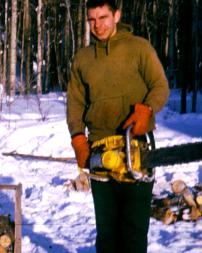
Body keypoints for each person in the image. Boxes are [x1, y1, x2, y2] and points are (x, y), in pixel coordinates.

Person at [66, 0, 170, 252]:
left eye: (103, 17)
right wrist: (78, 137)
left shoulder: (139, 48)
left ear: (117, 15)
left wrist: (146, 109)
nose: (97, 25)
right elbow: (75, 103)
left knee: (133, 230)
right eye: (92, 20)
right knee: (107, 232)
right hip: (100, 151)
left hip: (136, 147)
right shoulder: (83, 58)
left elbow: (160, 86)